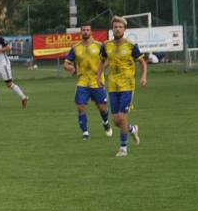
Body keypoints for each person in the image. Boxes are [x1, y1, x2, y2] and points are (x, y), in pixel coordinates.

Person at [96, 16, 147, 157]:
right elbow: (101, 62)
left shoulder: (131, 45)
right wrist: (98, 76)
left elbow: (142, 62)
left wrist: (143, 76)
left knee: (121, 117)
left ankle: (123, 148)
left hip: (127, 86)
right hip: (113, 86)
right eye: (115, 27)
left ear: (124, 29)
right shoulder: (106, 45)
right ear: (112, 29)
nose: (117, 29)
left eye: (120, 27)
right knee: (116, 121)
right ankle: (132, 129)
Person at [63, 23, 112, 140]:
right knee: (80, 107)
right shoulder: (75, 48)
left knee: (102, 108)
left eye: (87, 30)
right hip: (82, 82)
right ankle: (85, 132)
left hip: (97, 81)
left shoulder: (100, 46)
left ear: (91, 32)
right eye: (83, 30)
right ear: (81, 32)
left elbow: (108, 60)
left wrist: (101, 70)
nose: (85, 32)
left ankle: (105, 122)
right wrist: (70, 68)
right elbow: (66, 63)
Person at [0, 23, 28, 110]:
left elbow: (8, 48)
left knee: (9, 84)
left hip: (4, 64)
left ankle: (23, 97)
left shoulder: (0, 39)